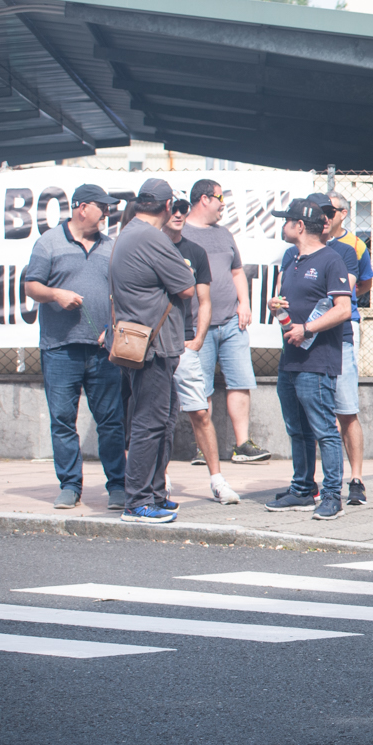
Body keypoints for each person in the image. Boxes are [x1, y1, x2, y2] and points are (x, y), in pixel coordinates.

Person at [24, 183, 128, 511]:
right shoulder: (49, 242)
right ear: (82, 207)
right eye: (102, 207)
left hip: (103, 351)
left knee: (111, 422)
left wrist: (113, 328)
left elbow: (121, 294)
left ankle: (118, 486)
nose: (107, 213)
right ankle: (70, 486)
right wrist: (56, 294)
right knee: (62, 420)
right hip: (60, 349)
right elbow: (31, 286)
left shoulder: (111, 247)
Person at [106, 179, 198, 525]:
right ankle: (138, 501)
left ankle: (154, 493)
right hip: (154, 348)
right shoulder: (151, 238)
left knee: (163, 420)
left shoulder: (129, 232)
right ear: (167, 205)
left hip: (143, 343)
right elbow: (187, 287)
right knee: (149, 422)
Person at [261, 197, 355, 518]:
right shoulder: (292, 260)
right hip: (291, 358)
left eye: (287, 220)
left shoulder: (331, 260)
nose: (283, 226)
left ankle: (331, 495)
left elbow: (343, 309)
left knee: (324, 428)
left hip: (317, 360)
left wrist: (307, 328)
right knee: (297, 428)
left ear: (299, 225)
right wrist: (277, 309)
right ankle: (302, 489)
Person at [178, 179, 272, 466]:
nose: (223, 204)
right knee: (200, 386)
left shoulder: (224, 233)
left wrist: (244, 303)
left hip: (232, 324)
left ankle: (242, 445)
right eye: (220, 198)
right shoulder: (180, 234)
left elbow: (237, 272)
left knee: (240, 382)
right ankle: (202, 448)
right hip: (197, 326)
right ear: (204, 199)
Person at [162, 194, 237, 503]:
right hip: (153, 347)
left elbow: (204, 301)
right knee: (157, 416)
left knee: (200, 413)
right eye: (173, 209)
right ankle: (160, 478)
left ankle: (217, 480)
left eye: (183, 209)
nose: (179, 214)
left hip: (184, 345)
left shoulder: (194, 251)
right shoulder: (150, 247)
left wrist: (197, 339)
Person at [324, 191, 372, 507]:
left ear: (343, 213)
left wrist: (345, 303)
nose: (325, 216)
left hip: (344, 326)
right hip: (313, 331)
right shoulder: (302, 246)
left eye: (330, 210)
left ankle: (356, 478)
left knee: (346, 407)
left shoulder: (353, 246)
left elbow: (364, 283)